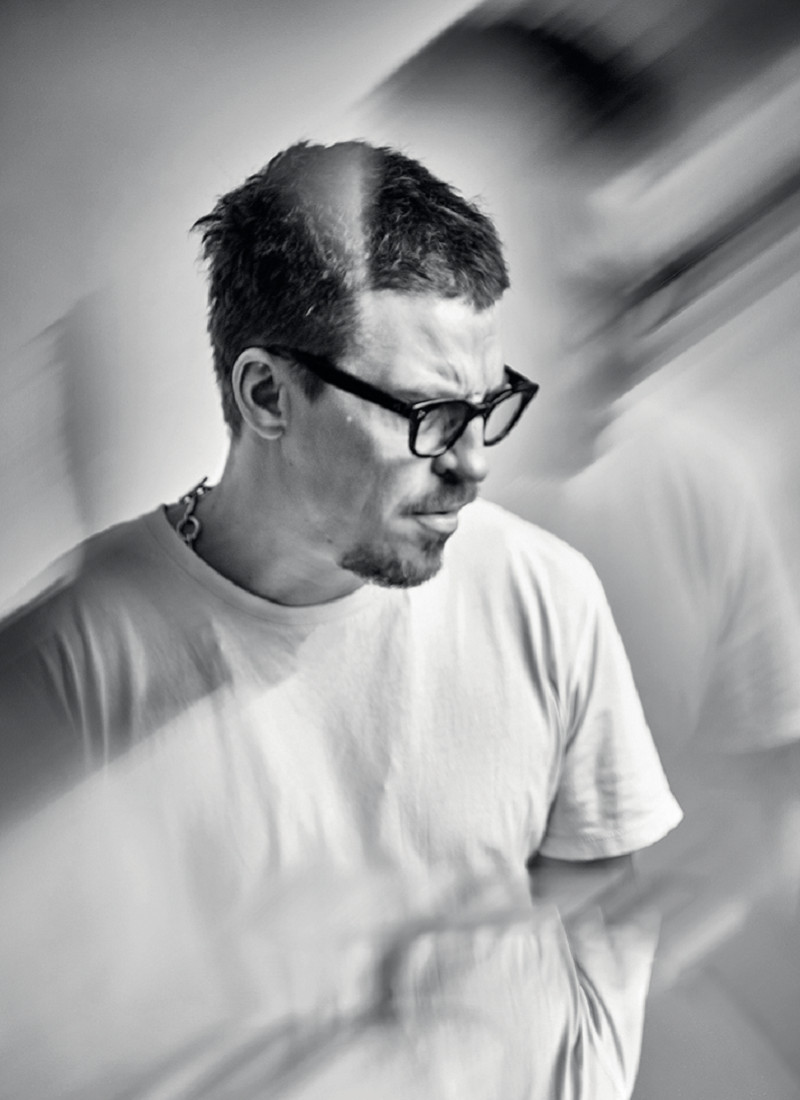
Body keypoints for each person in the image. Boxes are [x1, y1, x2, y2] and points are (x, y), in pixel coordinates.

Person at [0, 139, 681, 1099]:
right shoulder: (68, 670)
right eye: (428, 416)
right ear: (267, 395)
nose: (473, 462)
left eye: (488, 404)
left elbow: (602, 888)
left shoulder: (545, 592)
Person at [364, 11, 800, 1096]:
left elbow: (762, 766)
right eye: (577, 288)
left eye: (638, 284)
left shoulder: (691, 485)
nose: (625, 339)